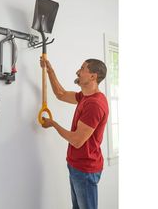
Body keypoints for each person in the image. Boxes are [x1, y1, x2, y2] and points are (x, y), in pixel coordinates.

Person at [40, 57, 109, 209]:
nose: (78, 72)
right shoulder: (85, 96)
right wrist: (49, 70)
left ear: (93, 76)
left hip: (85, 169)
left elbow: (77, 140)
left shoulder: (95, 104)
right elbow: (61, 94)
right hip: (76, 165)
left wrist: (54, 124)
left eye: (83, 69)